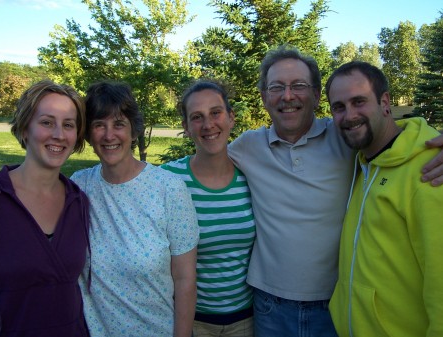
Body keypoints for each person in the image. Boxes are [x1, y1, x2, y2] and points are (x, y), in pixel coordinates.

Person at [226, 46, 443, 336]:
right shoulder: (247, 147)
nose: (287, 95)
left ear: (316, 97)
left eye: (299, 86)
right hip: (270, 305)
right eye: (276, 87)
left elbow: (394, 135)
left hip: (336, 305)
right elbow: (205, 160)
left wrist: (430, 141)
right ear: (264, 97)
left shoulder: (346, 137)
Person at [70, 81, 199, 337]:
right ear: (88, 133)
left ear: (133, 131)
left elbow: (185, 279)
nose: (109, 135)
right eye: (99, 125)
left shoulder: (169, 189)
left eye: (118, 124)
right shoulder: (78, 187)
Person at [325, 61, 443, 336]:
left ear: (385, 102)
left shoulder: (428, 173)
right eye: (339, 107)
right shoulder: (361, 164)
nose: (349, 115)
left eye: (359, 101)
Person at [0, 80, 90, 336]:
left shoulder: (78, 201)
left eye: (68, 124)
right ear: (25, 128)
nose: (59, 134)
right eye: (47, 122)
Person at [161, 80, 256, 337]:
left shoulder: (253, 177)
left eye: (216, 113)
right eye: (197, 117)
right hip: (190, 321)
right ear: (186, 127)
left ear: (231, 117)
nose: (208, 124)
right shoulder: (167, 180)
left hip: (246, 320)